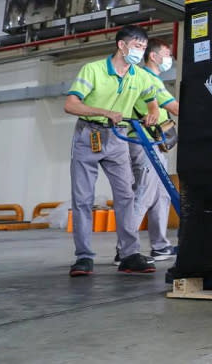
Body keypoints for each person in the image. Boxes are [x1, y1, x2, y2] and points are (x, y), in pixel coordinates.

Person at [64, 25, 160, 276]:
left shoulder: (139, 75)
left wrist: (153, 112)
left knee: (126, 196)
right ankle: (84, 257)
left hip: (118, 139)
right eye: (137, 46)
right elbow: (71, 104)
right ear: (122, 45)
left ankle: (129, 254)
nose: (140, 51)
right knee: (83, 199)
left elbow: (152, 99)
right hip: (89, 134)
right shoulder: (93, 70)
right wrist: (104, 112)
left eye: (143, 47)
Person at [113, 37, 181, 266]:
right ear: (153, 56)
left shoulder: (149, 78)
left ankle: (160, 246)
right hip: (144, 144)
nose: (169, 59)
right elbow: (174, 108)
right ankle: (125, 250)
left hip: (155, 143)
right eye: (167, 54)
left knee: (161, 196)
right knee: (142, 194)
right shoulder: (148, 79)